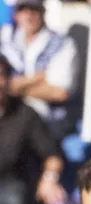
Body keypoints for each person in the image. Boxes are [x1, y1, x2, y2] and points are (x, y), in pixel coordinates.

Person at [0, 57, 65, 204]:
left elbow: (52, 156)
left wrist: (49, 179)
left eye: (1, 75)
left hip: (10, 184)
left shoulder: (25, 114)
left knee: (14, 198)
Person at [1, 0, 78, 138]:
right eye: (23, 10)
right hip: (8, 119)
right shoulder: (5, 39)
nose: (28, 15)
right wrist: (36, 78)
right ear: (16, 14)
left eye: (33, 10)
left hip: (48, 121)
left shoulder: (62, 44)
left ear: (43, 12)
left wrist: (13, 88)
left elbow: (60, 92)